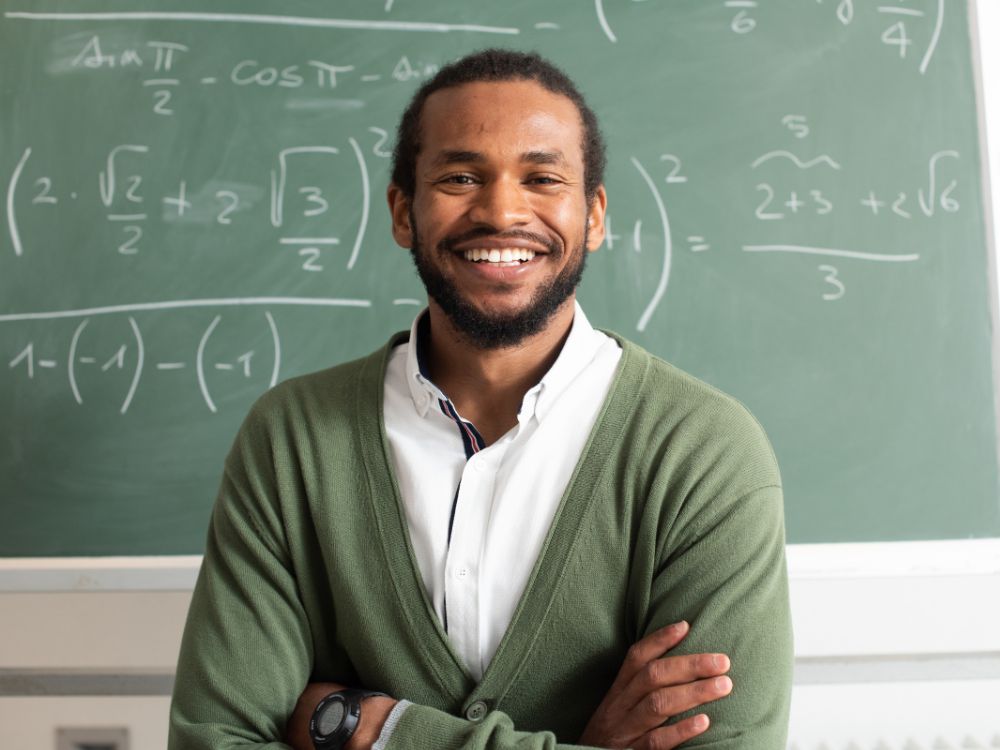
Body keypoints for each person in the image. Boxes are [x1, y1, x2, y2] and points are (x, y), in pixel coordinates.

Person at [168, 49, 792, 750]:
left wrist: (376, 730)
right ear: (404, 213)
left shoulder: (703, 452)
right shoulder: (292, 440)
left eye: (542, 177)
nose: (501, 210)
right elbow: (214, 740)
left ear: (593, 216)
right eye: (461, 176)